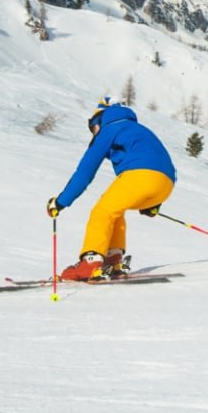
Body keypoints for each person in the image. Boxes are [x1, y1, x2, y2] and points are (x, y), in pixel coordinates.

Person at [46, 97, 176, 281]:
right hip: (166, 184)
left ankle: (90, 263)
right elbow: (161, 161)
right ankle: (113, 260)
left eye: (92, 127)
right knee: (115, 210)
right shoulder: (140, 130)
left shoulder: (109, 129)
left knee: (102, 212)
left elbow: (85, 172)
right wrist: (154, 202)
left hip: (139, 175)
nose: (93, 133)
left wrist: (60, 202)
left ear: (100, 119)